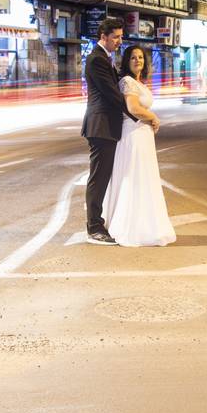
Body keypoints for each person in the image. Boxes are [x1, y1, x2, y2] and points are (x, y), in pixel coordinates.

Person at [102, 45, 176, 247]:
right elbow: (133, 108)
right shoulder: (127, 81)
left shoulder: (138, 82)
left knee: (144, 178)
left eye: (141, 57)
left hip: (143, 135)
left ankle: (144, 223)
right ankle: (130, 226)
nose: (137, 60)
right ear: (126, 61)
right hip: (133, 134)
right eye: (133, 57)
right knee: (134, 177)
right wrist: (154, 117)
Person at [81, 17, 136, 245]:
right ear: (103, 36)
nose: (119, 41)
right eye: (115, 37)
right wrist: (136, 115)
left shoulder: (106, 58)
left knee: (103, 177)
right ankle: (94, 226)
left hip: (106, 126)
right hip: (101, 125)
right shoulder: (97, 59)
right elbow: (111, 94)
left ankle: (98, 222)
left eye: (121, 37)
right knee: (98, 178)